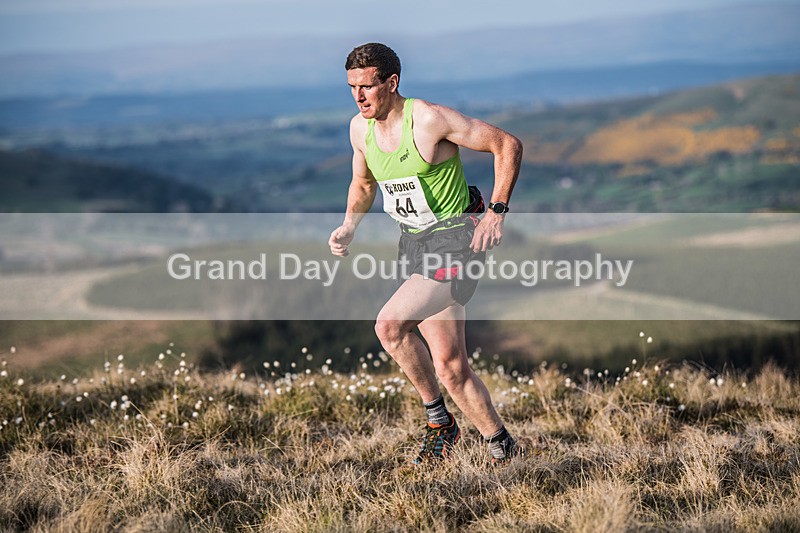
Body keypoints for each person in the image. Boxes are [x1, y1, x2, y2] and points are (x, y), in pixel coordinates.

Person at [328, 43, 523, 464]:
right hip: (415, 243)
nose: (358, 96)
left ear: (391, 82)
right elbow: (363, 185)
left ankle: (439, 422)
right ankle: (504, 448)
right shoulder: (359, 130)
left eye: (367, 87)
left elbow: (506, 144)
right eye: (351, 87)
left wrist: (496, 211)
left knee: (390, 326)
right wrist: (349, 225)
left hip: (457, 237)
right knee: (451, 367)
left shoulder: (429, 119)